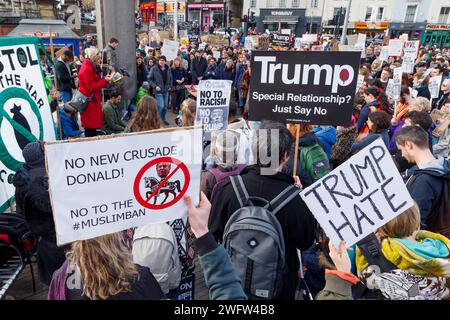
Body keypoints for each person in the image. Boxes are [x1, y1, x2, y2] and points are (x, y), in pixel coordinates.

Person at [209, 121, 317, 299]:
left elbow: (213, 235)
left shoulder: (227, 188)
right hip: (278, 288)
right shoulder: (295, 200)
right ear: (285, 156)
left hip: (233, 285)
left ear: (253, 151)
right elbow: (306, 242)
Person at [13, 142, 67, 285]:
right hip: (57, 238)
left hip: (41, 239)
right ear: (42, 156)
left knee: (54, 281)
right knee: (65, 279)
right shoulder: (48, 176)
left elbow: (21, 211)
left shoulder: (22, 178)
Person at [395, 125, 450, 233]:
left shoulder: (423, 181)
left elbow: (414, 226)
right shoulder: (444, 166)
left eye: (401, 150)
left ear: (408, 145)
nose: (402, 154)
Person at [78, 47, 113, 137]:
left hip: (92, 101)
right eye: (98, 58)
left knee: (92, 127)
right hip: (89, 102)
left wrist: (105, 80)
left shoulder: (90, 67)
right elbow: (92, 86)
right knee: (90, 128)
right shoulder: (86, 69)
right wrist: (105, 80)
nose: (100, 60)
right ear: (93, 57)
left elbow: (95, 83)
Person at [201, 130, 246, 199]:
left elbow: (202, 200)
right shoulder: (245, 169)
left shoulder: (209, 176)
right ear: (236, 151)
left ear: (216, 150)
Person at [148, 56, 172, 126]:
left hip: (166, 90)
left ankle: (163, 119)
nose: (161, 61)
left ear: (165, 61)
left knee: (165, 107)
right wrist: (155, 86)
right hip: (158, 91)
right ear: (158, 61)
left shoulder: (168, 69)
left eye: (163, 60)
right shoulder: (154, 69)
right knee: (160, 106)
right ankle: (157, 120)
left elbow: (171, 78)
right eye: (160, 60)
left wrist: (170, 86)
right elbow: (149, 79)